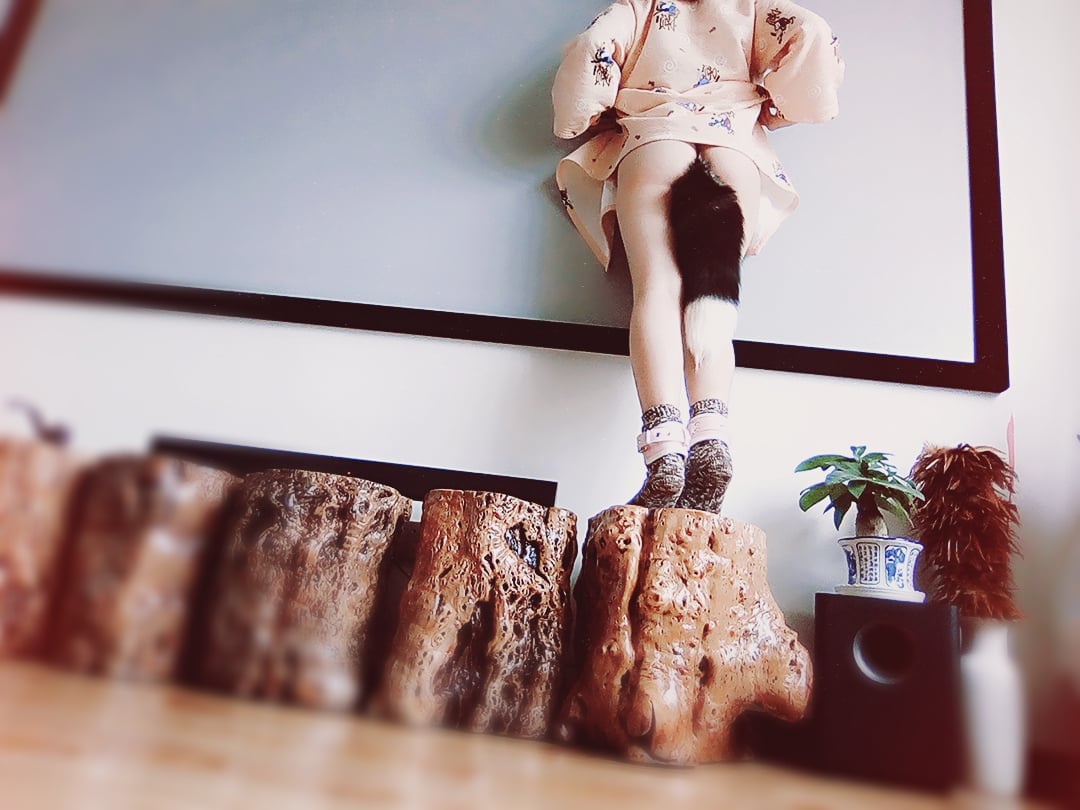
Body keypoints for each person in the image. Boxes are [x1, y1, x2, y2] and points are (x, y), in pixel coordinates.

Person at [553, 0, 844, 513]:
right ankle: (711, 438)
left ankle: (664, 451)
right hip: (734, 150)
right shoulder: (751, 6)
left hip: (656, 141)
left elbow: (592, 48)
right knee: (710, 293)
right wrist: (777, 110)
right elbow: (813, 32)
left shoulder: (639, 6)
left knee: (658, 291)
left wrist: (587, 112)